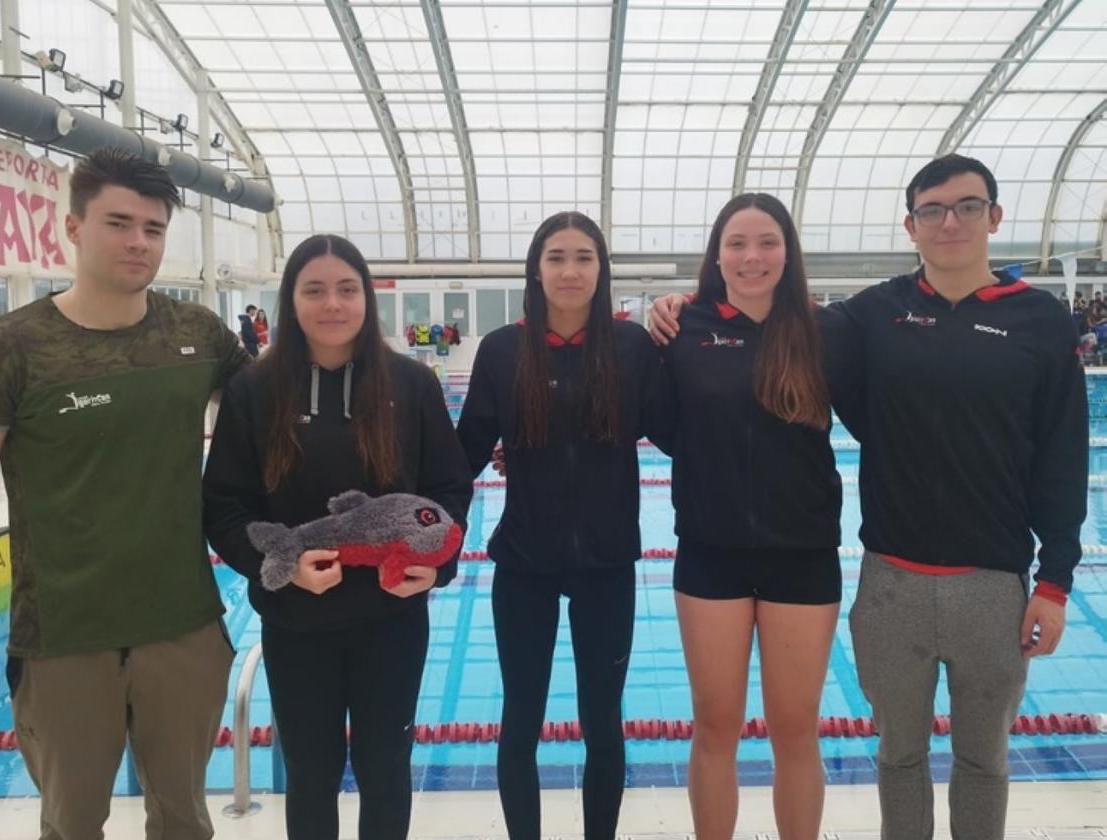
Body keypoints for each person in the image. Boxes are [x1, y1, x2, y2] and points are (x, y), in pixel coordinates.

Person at [650, 154, 1089, 840]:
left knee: (955, 756)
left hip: (920, 569)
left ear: (994, 218)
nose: (951, 223)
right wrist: (670, 305)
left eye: (968, 207)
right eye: (736, 242)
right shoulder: (846, 319)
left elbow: (1060, 456)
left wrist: (1055, 576)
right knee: (856, 751)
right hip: (804, 569)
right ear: (910, 225)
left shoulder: (845, 328)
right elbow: (663, 416)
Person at [0, 147, 251, 840]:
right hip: (63, 639)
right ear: (73, 228)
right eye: (119, 223)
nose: (139, 242)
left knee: (186, 822)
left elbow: (280, 420)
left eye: (154, 229)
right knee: (71, 827)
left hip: (183, 629)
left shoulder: (196, 335)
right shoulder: (10, 348)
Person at [203, 234, 472, 840]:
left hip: (393, 617)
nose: (333, 304)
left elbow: (449, 493)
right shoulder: (256, 391)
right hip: (297, 620)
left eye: (347, 289)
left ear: (366, 298)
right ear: (290, 300)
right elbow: (224, 505)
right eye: (315, 290)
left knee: (385, 772)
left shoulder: (411, 384)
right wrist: (279, 566)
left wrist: (438, 568)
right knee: (310, 773)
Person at [456, 211, 670, 840]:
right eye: (556, 257)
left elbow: (679, 430)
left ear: (601, 270)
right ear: (536, 268)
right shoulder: (502, 350)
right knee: (520, 722)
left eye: (584, 257)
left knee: (603, 723)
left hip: (607, 565)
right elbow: (463, 452)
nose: (570, 270)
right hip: (523, 564)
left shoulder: (632, 348)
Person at [651, 194, 841, 840]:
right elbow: (650, 422)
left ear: (788, 253)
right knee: (715, 726)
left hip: (804, 555)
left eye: (767, 242)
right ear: (717, 254)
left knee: (795, 730)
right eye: (737, 243)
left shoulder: (824, 333)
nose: (751, 257)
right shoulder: (682, 329)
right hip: (711, 551)